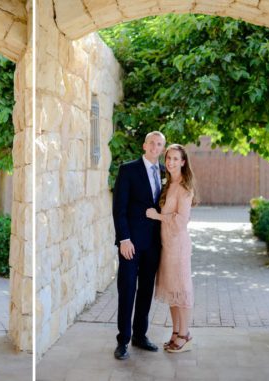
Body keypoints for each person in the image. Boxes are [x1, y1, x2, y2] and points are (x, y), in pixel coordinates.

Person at [112, 131, 166, 360]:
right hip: (131, 243)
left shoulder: (165, 172)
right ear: (144, 145)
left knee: (145, 290)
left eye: (159, 144)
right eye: (151, 143)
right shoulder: (128, 170)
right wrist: (124, 239)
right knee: (126, 290)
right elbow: (119, 208)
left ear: (163, 149)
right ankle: (123, 340)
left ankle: (139, 335)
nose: (155, 147)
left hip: (154, 244)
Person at [146, 144, 196, 353]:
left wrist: (157, 216)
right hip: (167, 245)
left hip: (178, 247)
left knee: (181, 291)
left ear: (183, 162)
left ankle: (185, 334)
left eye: (176, 159)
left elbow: (181, 220)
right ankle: (175, 331)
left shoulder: (185, 188)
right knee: (172, 291)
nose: (171, 162)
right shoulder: (168, 184)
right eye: (169, 159)